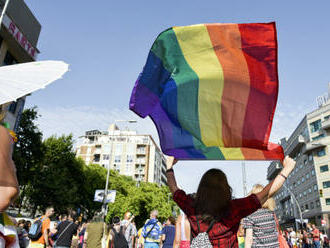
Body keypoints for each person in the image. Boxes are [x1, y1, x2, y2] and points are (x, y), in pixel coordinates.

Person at [166, 156, 296, 247]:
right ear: (226, 189)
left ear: (201, 188)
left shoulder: (191, 206)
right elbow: (266, 193)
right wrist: (287, 169)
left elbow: (174, 189)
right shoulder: (234, 209)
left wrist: (169, 166)